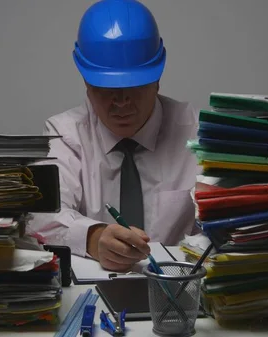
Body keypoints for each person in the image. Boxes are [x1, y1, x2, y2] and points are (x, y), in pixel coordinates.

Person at [28, 0, 200, 272]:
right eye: (106, 89)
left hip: (180, 292)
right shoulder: (64, 134)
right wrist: (93, 237)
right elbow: (42, 215)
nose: (121, 103)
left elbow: (229, 223)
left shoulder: (198, 135)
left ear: (157, 78)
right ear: (86, 81)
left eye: (135, 86)